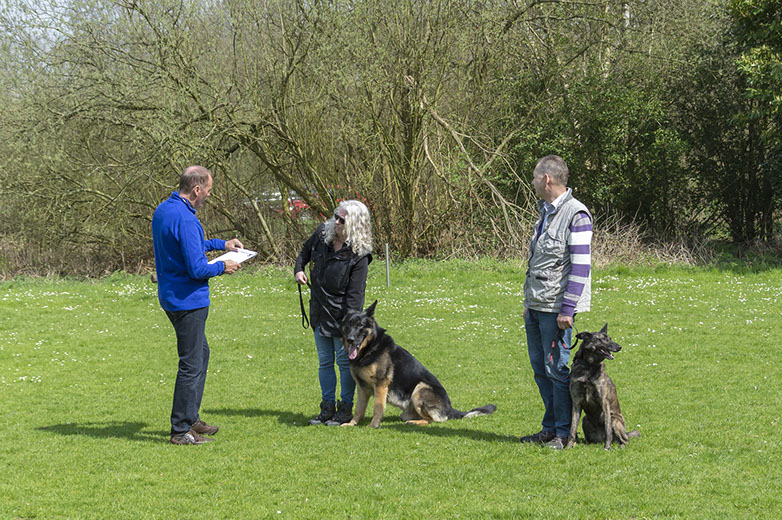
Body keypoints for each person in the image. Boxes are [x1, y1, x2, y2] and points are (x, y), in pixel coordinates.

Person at [152, 165, 243, 445]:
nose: (209, 195)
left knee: (201, 354)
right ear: (196, 189)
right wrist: (223, 266)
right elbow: (197, 268)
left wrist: (221, 244)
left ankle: (191, 418)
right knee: (191, 363)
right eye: (208, 190)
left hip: (171, 297)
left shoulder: (164, 210)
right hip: (187, 301)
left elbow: (189, 245)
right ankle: (181, 430)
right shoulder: (187, 219)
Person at [520, 155, 593, 450]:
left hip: (556, 311)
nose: (533, 182)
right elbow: (538, 261)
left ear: (547, 179)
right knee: (541, 370)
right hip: (536, 307)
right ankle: (549, 429)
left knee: (558, 371)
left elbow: (581, 267)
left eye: (535, 177)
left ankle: (564, 434)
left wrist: (567, 309)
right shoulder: (545, 212)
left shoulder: (577, 214)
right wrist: (529, 303)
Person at [294, 200, 373, 426]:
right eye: (336, 216)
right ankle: (326, 407)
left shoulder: (359, 256)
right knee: (325, 361)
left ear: (354, 224)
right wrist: (298, 270)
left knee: (344, 363)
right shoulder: (322, 235)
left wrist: (348, 329)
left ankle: (345, 408)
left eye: (342, 220)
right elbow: (304, 252)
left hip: (342, 318)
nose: (336, 222)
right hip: (319, 310)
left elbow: (355, 297)